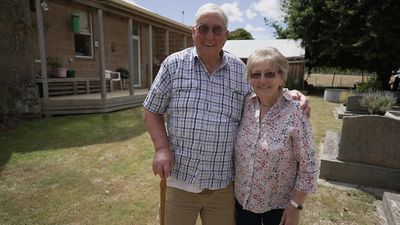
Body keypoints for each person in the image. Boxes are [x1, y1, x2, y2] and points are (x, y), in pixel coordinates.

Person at [143, 3, 309, 225]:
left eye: (217, 29)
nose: (209, 35)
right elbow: (151, 108)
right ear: (193, 31)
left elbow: (262, 93)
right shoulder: (173, 65)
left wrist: (289, 93)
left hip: (223, 187)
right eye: (203, 28)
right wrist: (162, 148)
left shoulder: (239, 70)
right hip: (180, 180)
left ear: (226, 35)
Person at [234, 47, 319, 225]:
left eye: (269, 74)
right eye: (256, 74)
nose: (262, 80)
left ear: (281, 78)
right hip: (242, 202)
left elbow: (309, 164)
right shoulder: (245, 105)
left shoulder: (295, 112)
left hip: (278, 208)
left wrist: (296, 205)